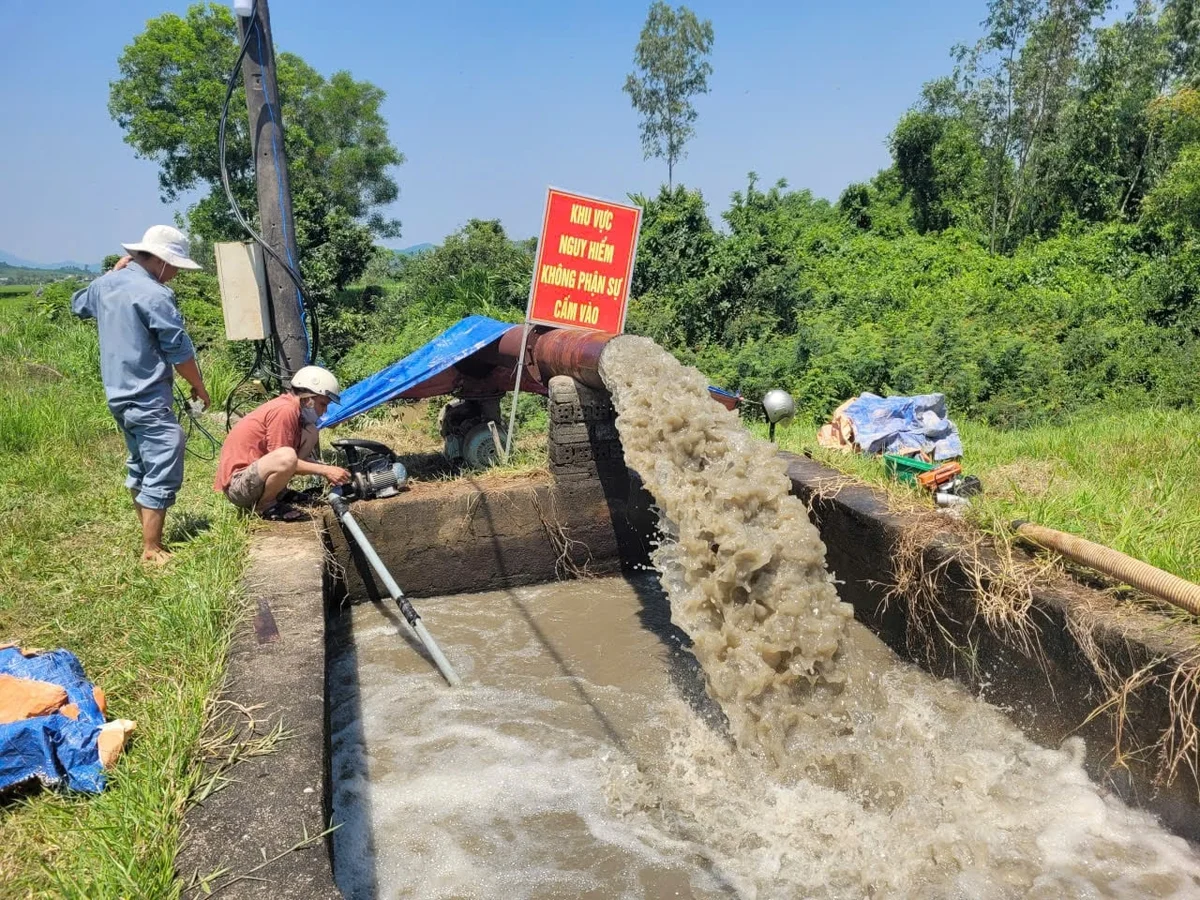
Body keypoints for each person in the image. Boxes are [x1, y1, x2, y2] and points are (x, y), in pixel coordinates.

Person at [72, 225, 209, 565]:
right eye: (175, 265)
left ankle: (149, 535)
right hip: (146, 394)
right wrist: (199, 386)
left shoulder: (107, 284)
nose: (176, 273)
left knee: (141, 463)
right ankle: (152, 549)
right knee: (165, 450)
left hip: (118, 394)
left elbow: (78, 305)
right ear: (161, 260)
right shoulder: (155, 295)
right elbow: (179, 350)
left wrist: (108, 274)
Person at [214, 366, 351, 519]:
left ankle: (280, 493)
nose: (324, 411)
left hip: (253, 479)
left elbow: (295, 461)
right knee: (287, 455)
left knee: (311, 431)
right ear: (309, 399)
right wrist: (326, 471)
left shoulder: (292, 410)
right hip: (239, 487)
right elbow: (287, 461)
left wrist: (327, 468)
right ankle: (265, 506)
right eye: (323, 404)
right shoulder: (285, 410)